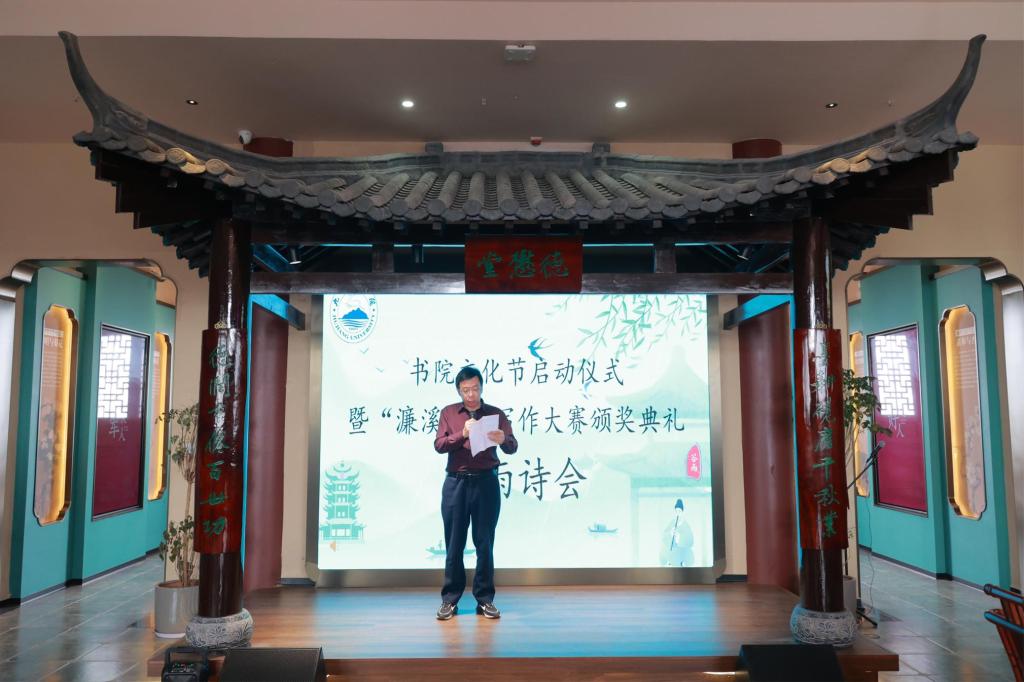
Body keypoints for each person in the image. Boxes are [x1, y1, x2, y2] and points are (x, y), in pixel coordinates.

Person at [432, 366, 518, 620]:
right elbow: (439, 445)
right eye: (465, 390)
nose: (471, 394)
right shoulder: (449, 413)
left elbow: (513, 446)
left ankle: (485, 600)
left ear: (481, 387)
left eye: (475, 389)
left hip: (486, 483)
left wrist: (503, 439)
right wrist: (462, 434)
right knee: (454, 544)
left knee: (485, 543)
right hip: (456, 483)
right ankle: (450, 601)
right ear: (459, 390)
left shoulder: (495, 414)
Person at [659, 498, 695, 567]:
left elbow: (690, 541)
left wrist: (679, 537)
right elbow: (664, 536)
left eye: (679, 511)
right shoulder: (672, 523)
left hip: (682, 554)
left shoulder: (685, 525)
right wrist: (670, 533)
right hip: (672, 554)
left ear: (682, 512)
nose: (678, 513)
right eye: (676, 511)